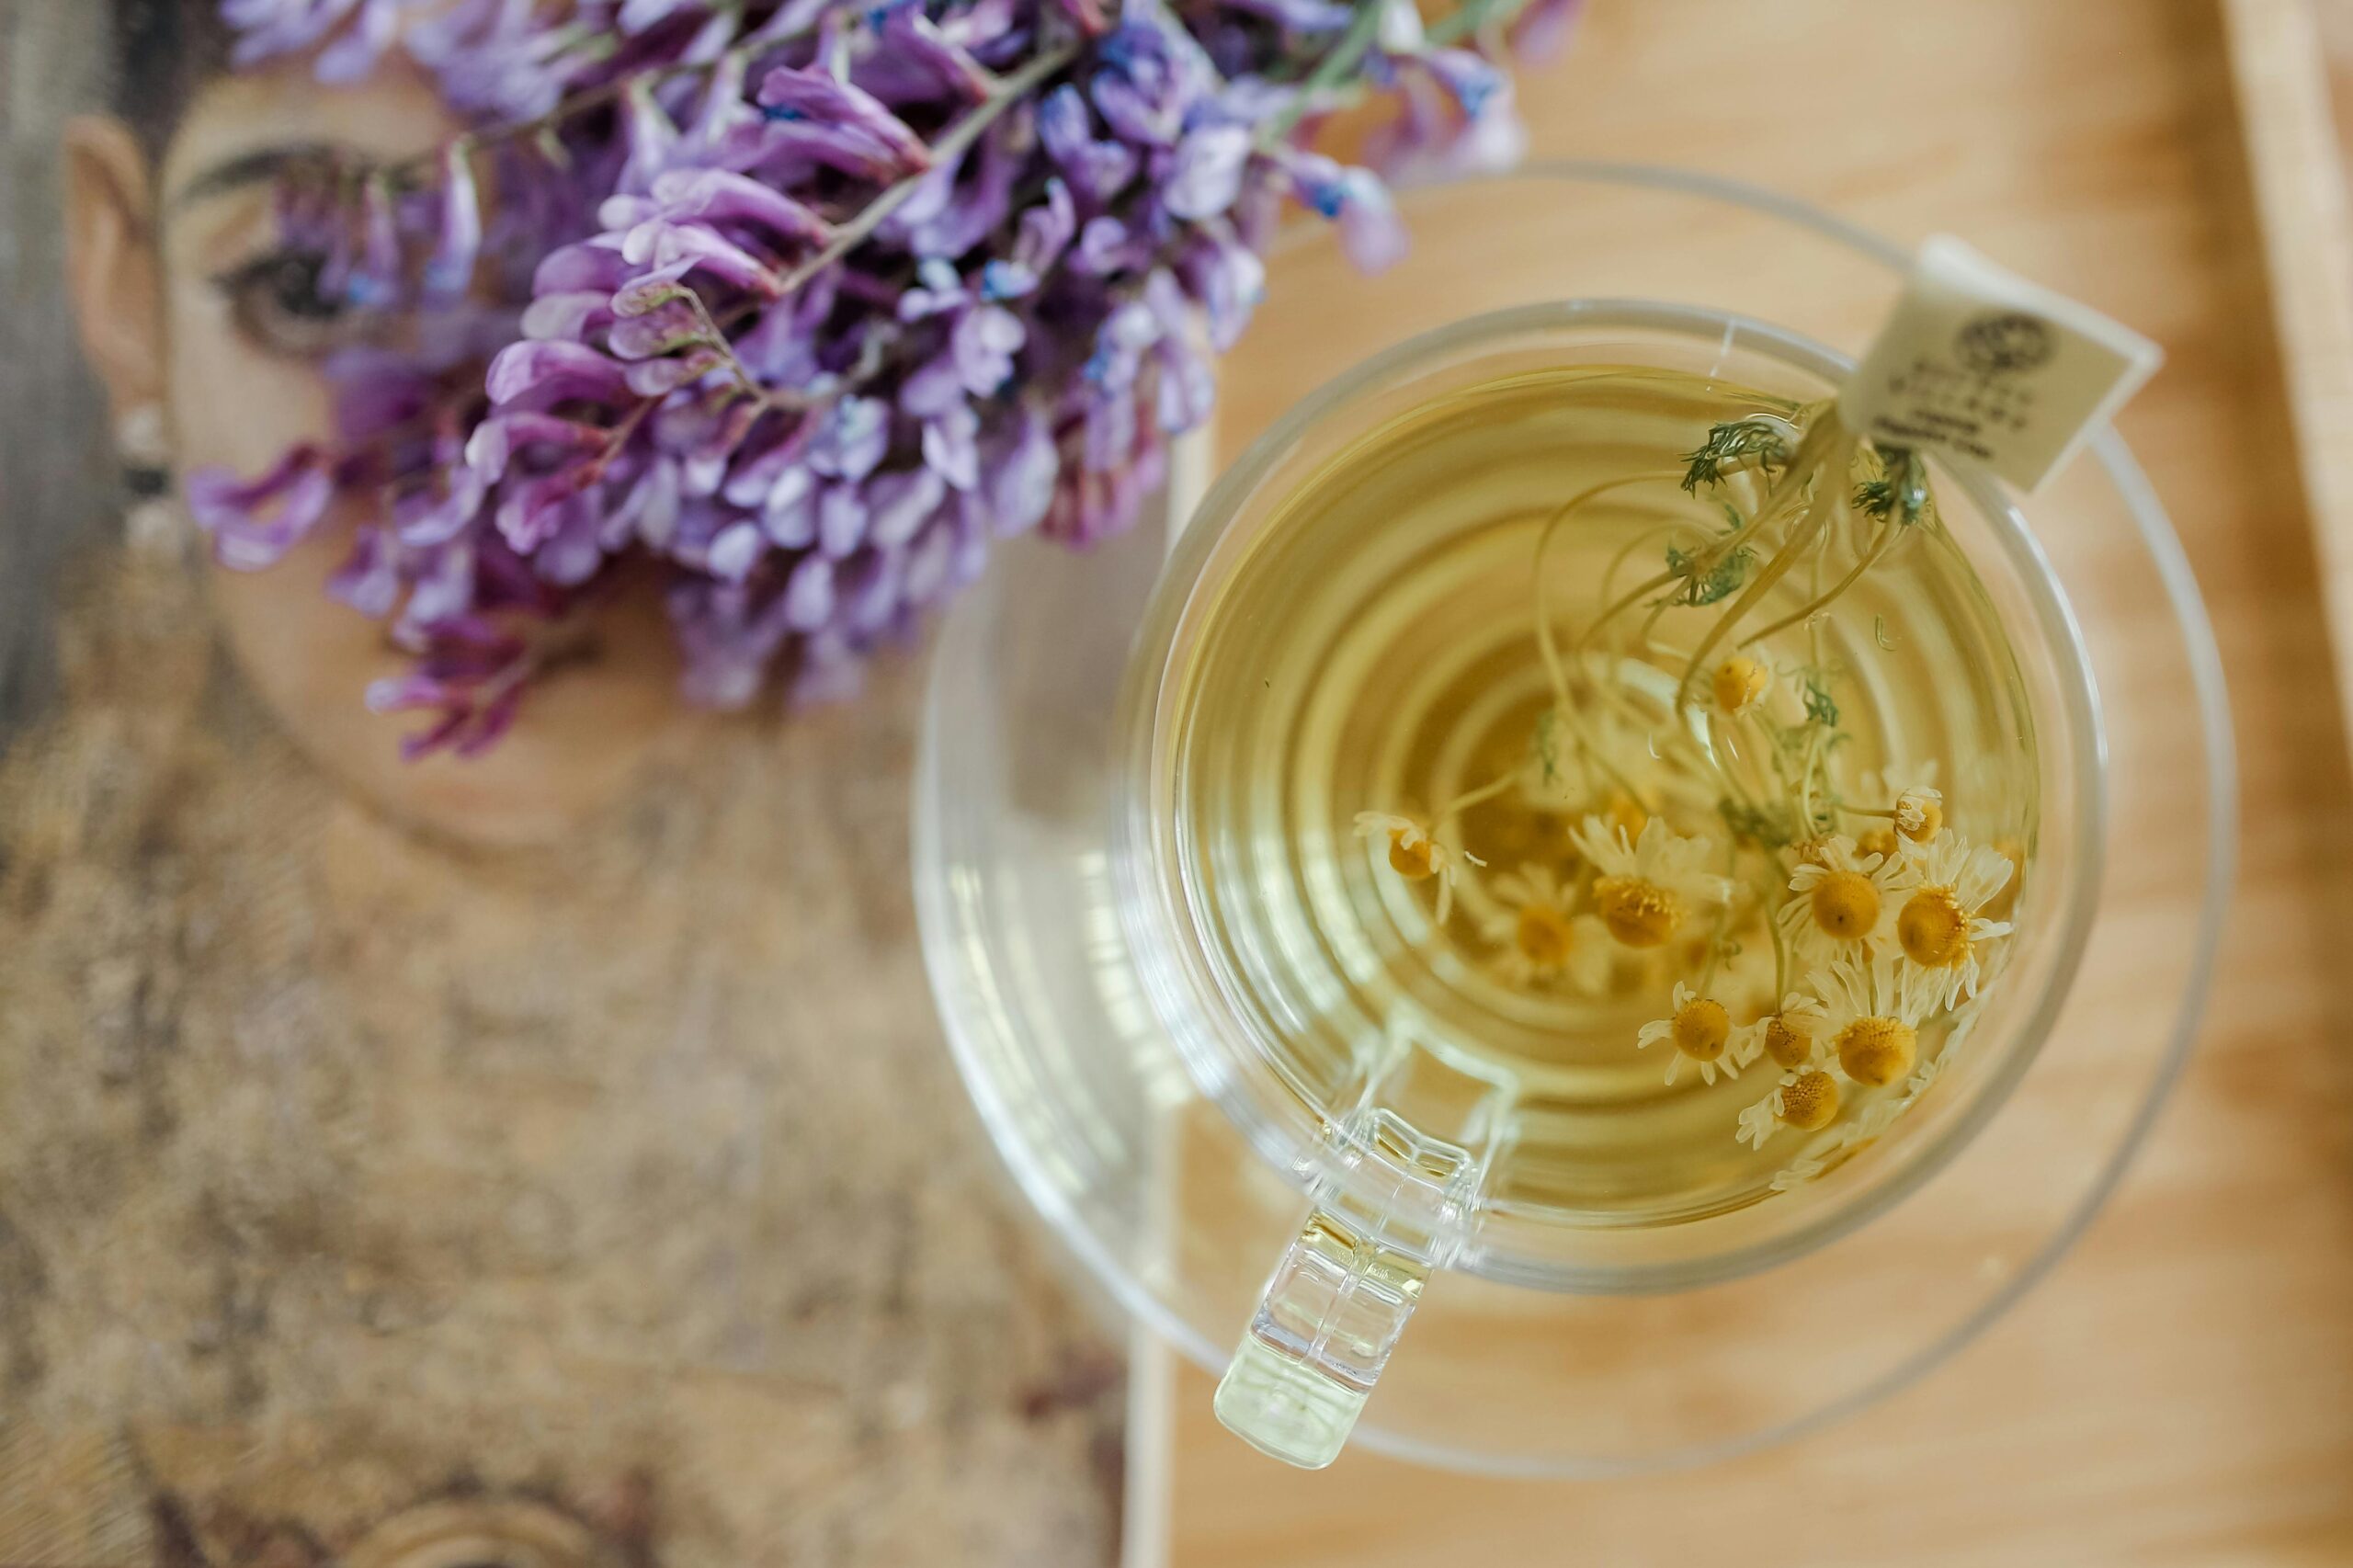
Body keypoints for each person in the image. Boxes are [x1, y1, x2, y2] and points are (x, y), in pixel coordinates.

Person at [0, 6, 1124, 1561]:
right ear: (122, 270)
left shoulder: (1106, 908)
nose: (492, 494)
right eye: (315, 286)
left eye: (662, 296)